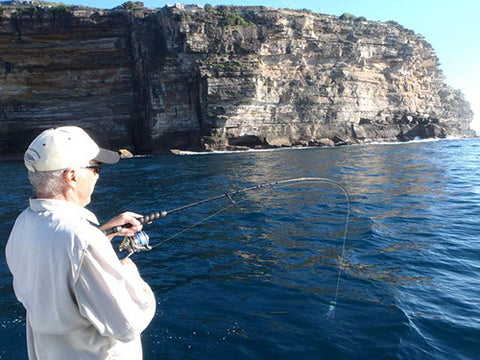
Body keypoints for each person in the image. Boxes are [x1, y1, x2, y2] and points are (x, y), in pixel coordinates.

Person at [5, 126, 156, 360]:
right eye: (95, 168)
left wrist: (103, 233)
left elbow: (57, 263)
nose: (97, 176)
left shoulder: (23, 224)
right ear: (72, 176)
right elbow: (127, 325)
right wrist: (130, 274)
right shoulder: (82, 239)